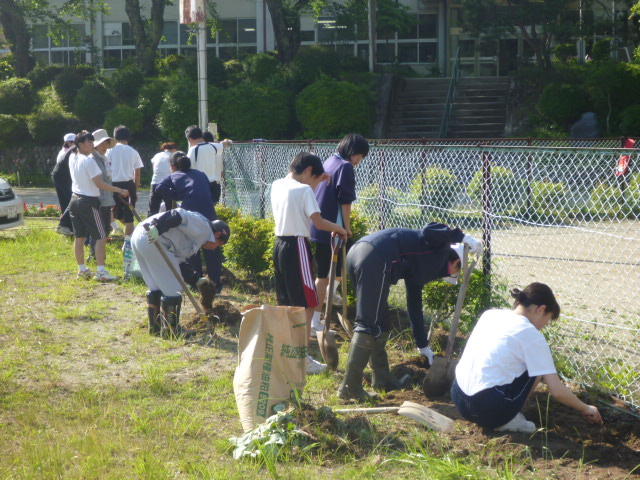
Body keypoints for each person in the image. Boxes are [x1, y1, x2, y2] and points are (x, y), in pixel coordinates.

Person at [338, 224, 482, 401]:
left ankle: (382, 380)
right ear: (456, 261)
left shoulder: (422, 264)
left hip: (360, 252)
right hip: (376, 257)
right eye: (458, 269)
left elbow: (414, 304)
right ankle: (349, 387)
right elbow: (429, 231)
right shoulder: (439, 248)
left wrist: (423, 346)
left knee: (380, 321)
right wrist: (462, 237)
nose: (455, 274)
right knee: (368, 323)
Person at [451, 282, 603, 433]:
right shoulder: (531, 334)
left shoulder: (490, 314)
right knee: (538, 369)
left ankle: (505, 412)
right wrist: (586, 408)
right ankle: (508, 419)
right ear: (541, 309)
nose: (544, 325)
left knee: (531, 364)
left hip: (459, 397)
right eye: (547, 320)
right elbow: (556, 390)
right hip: (487, 408)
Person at [271, 152, 347, 375]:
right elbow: (318, 222)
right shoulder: (304, 190)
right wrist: (340, 228)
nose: (315, 185)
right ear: (307, 172)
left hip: (279, 245)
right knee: (307, 304)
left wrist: (317, 180)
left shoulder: (277, 184)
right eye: (315, 179)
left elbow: (299, 201)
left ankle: (286, 352)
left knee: (287, 303)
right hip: (298, 247)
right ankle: (302, 359)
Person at [130, 208, 230, 336]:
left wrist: (196, 279)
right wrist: (158, 228)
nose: (215, 248)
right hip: (152, 237)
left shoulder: (197, 239)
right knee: (173, 289)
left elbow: (178, 262)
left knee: (156, 286)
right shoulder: (204, 228)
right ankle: (172, 331)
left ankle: (156, 327)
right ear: (217, 235)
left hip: (141, 237)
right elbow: (178, 214)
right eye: (218, 245)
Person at [310, 133, 369, 334]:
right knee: (324, 277)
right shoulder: (345, 166)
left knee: (330, 273)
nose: (360, 161)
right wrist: (347, 227)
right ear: (354, 152)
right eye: (361, 156)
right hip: (332, 229)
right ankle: (315, 321)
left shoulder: (330, 161)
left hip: (319, 226)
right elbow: (345, 200)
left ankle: (329, 295)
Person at [151, 152, 222, 290]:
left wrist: (176, 195)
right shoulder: (200, 174)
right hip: (209, 212)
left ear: (172, 166)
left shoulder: (174, 176)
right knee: (212, 249)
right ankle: (216, 284)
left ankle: (196, 282)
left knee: (192, 247)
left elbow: (159, 188)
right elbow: (209, 189)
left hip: (190, 213)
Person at [67, 130, 129, 281]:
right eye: (88, 142)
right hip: (88, 201)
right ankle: (101, 271)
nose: (91, 144)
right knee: (101, 236)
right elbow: (100, 184)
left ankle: (82, 269)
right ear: (80, 144)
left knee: (80, 237)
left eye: (92, 141)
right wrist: (119, 190)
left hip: (74, 199)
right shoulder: (89, 161)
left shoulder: (72, 157)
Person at [85, 129, 116, 261]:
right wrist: (118, 190)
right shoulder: (93, 159)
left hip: (106, 198)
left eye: (106, 143)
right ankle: (93, 255)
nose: (104, 146)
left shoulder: (103, 158)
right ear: (95, 145)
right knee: (99, 230)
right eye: (101, 144)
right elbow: (99, 181)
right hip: (98, 199)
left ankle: (97, 255)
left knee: (106, 228)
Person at [107, 125, 143, 238]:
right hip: (128, 184)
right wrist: (136, 189)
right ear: (128, 137)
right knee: (129, 215)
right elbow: (137, 173)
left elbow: (106, 168)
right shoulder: (133, 152)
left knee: (111, 209)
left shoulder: (109, 151)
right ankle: (128, 240)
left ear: (115, 137)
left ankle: (115, 228)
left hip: (113, 184)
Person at [185, 125, 231, 205]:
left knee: (200, 209)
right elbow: (225, 144)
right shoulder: (213, 146)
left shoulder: (193, 150)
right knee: (212, 208)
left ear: (190, 139)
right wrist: (227, 141)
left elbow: (187, 168)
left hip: (199, 185)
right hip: (214, 185)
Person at [52, 133, 76, 236]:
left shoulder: (69, 151)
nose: (73, 143)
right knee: (70, 201)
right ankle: (64, 226)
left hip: (63, 178)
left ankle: (68, 227)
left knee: (67, 202)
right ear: (67, 142)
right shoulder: (66, 152)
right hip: (63, 178)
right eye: (72, 142)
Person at [148, 142, 178, 216]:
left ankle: (150, 222)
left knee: (153, 209)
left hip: (155, 182)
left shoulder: (157, 155)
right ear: (174, 149)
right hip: (168, 184)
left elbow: (154, 167)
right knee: (170, 209)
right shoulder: (174, 156)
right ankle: (170, 222)